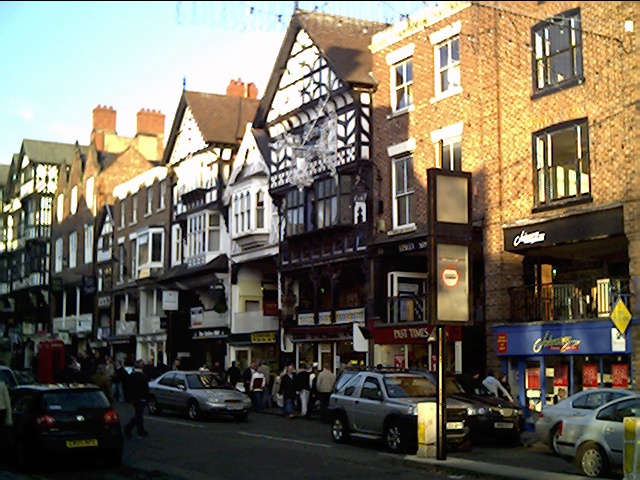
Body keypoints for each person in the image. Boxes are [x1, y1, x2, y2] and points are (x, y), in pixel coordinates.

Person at [123, 359, 150, 439]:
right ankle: (128, 427)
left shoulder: (131, 376)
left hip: (134, 397)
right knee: (139, 414)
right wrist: (147, 397)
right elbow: (145, 388)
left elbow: (127, 387)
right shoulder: (142, 376)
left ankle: (140, 429)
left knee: (139, 413)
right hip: (141, 397)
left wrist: (127, 397)